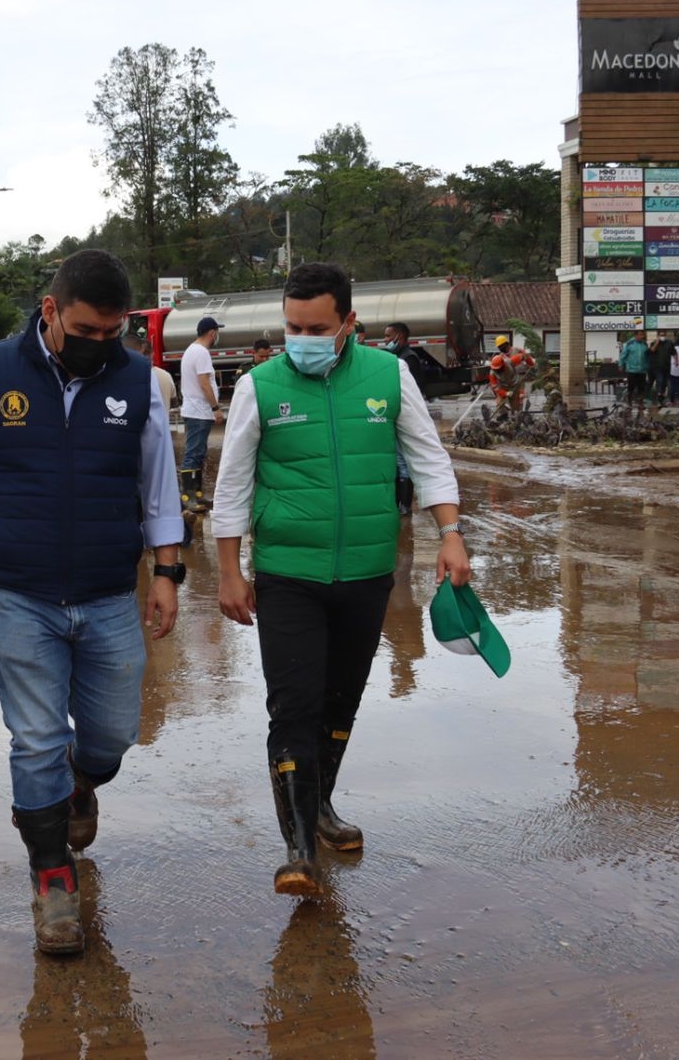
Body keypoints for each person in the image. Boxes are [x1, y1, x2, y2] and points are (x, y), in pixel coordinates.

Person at [0, 249, 184, 955]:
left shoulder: (138, 380)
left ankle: (80, 784)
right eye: (87, 331)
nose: (101, 347)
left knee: (114, 734)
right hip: (15, 591)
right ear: (51, 311)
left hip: (106, 591)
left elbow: (158, 488)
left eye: (113, 334)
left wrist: (167, 572)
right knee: (36, 738)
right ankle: (52, 882)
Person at [212, 261, 470, 897]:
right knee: (293, 705)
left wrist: (451, 533)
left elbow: (427, 457)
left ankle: (319, 806)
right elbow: (233, 482)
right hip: (287, 573)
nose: (302, 338)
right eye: (292, 326)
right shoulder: (259, 386)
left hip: (366, 571)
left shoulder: (390, 375)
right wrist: (228, 570)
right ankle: (298, 847)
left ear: (349, 323)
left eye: (317, 327)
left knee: (340, 701)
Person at [179, 316, 226, 512]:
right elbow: (204, 383)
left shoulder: (192, 350)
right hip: (199, 411)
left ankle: (197, 495)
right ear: (212, 333)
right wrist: (216, 408)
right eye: (217, 332)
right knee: (193, 453)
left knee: (198, 453)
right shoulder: (201, 352)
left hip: (196, 410)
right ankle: (188, 497)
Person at [383, 323, 427, 513]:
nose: (384, 340)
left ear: (398, 337)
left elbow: (412, 394)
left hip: (404, 417)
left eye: (387, 336)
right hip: (395, 416)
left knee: (402, 462)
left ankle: (405, 504)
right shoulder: (398, 357)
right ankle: (399, 502)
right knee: (396, 460)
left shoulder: (409, 359)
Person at [486, 336, 535, 413]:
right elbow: (496, 386)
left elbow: (525, 357)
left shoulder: (516, 351)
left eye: (502, 346)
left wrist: (532, 365)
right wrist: (505, 393)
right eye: (499, 347)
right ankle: (506, 414)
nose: (501, 348)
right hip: (505, 381)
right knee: (501, 401)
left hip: (520, 376)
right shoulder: (501, 357)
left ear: (507, 344)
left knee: (520, 397)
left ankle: (520, 412)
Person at [141, 341, 177, 412]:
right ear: (153, 354)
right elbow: (174, 403)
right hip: (163, 421)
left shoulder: (133, 376)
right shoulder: (166, 375)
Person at [619, 331, 648, 409]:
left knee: (641, 388)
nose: (642, 337)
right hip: (632, 370)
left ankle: (640, 403)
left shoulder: (644, 344)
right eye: (640, 335)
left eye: (643, 335)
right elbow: (623, 355)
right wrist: (621, 365)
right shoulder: (629, 344)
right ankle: (629, 402)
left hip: (642, 370)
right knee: (631, 387)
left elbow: (647, 356)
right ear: (636, 335)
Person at [646, 334, 673, 406]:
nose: (662, 336)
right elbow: (652, 350)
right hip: (654, 367)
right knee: (655, 382)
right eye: (661, 335)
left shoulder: (669, 343)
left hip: (665, 368)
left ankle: (660, 399)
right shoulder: (653, 343)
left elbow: (673, 352)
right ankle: (651, 398)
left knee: (662, 383)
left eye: (664, 335)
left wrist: (676, 361)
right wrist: (657, 342)